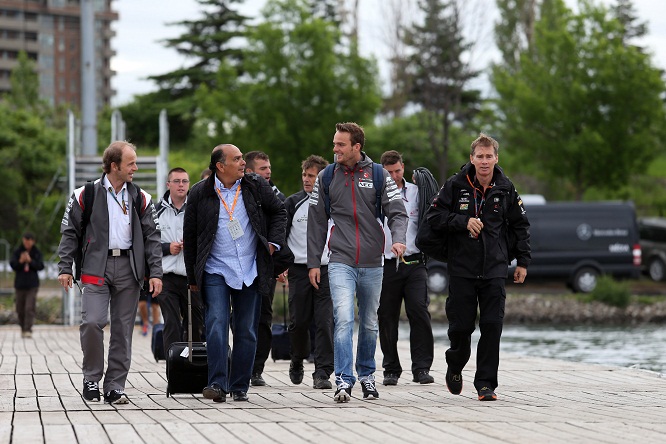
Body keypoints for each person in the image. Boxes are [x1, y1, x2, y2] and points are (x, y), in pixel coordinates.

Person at [307, 122, 408, 403]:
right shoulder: (327, 176)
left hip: (373, 262)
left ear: (356, 147)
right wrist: (314, 262)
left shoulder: (378, 174)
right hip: (340, 259)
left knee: (369, 323)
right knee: (343, 319)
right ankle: (343, 380)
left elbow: (398, 213)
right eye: (334, 143)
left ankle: (367, 376)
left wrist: (398, 239)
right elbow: (315, 222)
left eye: (340, 144)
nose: (335, 149)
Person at [57, 140, 163, 405]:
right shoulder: (85, 194)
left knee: (123, 329)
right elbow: (70, 232)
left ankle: (115, 386)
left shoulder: (141, 197)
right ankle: (91, 379)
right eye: (131, 163)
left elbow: (152, 237)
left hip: (129, 268)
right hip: (96, 266)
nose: (136, 168)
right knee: (92, 322)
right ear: (114, 166)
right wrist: (64, 267)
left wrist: (156, 273)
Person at [426, 133, 530, 401]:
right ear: (471, 158)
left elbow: (520, 226)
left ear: (496, 158)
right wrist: (462, 222)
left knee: (492, 325)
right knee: (461, 328)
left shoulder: (506, 188)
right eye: (479, 156)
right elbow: (434, 217)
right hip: (462, 269)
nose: (484, 161)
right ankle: (455, 364)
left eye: (489, 156)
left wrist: (523, 262)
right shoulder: (455, 184)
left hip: (495, 268)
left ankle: (486, 384)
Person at [184, 144, 286, 403]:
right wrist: (192, 278)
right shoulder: (199, 193)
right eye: (237, 159)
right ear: (220, 166)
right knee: (216, 323)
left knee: (246, 330)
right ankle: (217, 383)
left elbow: (279, 212)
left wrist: (273, 243)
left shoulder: (255, 186)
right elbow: (191, 236)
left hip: (249, 269)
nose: (243, 163)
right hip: (215, 268)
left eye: (242, 158)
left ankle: (240, 385)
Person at [378, 151, 436, 386]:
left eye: (397, 171)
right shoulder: (375, 194)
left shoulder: (416, 193)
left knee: (419, 311)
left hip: (414, 263)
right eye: (389, 173)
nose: (393, 176)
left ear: (404, 168)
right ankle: (391, 368)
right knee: (386, 317)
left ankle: (421, 368)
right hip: (386, 265)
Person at [284, 155, 334, 389]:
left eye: (311, 175)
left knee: (324, 321)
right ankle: (296, 360)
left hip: (326, 268)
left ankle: (322, 372)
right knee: (298, 321)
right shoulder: (293, 203)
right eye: (304, 174)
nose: (306, 179)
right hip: (299, 269)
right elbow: (281, 237)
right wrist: (281, 265)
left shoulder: (333, 203)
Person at [244, 150, 285, 387]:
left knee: (263, 317)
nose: (268, 172)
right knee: (238, 318)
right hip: (238, 265)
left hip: (265, 266)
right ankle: (238, 363)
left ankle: (256, 369)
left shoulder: (276, 197)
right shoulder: (236, 193)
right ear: (249, 171)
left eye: (269, 168)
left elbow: (282, 228)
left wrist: (279, 261)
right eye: (263, 169)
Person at [156, 167, 204, 352]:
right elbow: (147, 244)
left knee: (194, 323)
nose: (181, 185)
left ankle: (195, 365)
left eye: (185, 181)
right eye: (177, 181)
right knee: (172, 322)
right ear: (168, 184)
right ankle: (173, 368)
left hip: (191, 276)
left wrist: (192, 245)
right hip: (166, 276)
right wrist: (168, 248)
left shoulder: (197, 208)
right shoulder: (156, 210)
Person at [10, 232, 44, 338]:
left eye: (28, 241)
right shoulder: (18, 251)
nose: (27, 244)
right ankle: (22, 328)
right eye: (25, 241)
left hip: (32, 285)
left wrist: (31, 261)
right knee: (19, 308)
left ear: (33, 241)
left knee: (29, 307)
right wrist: (20, 261)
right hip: (20, 284)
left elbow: (40, 266)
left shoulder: (36, 252)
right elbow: (13, 265)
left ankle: (28, 329)